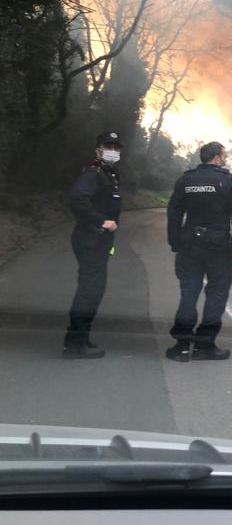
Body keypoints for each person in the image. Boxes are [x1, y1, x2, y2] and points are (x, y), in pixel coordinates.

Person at [165, 141, 232, 362]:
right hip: (219, 247)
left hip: (189, 245)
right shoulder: (229, 181)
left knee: (188, 294)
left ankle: (181, 346)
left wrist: (175, 241)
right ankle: (205, 346)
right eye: (224, 156)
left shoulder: (185, 180)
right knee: (216, 295)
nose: (226, 159)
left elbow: (173, 213)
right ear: (217, 158)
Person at [64, 132, 124, 359]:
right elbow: (77, 198)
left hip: (98, 240)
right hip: (90, 238)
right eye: (109, 146)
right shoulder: (93, 172)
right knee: (89, 291)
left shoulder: (109, 174)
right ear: (97, 150)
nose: (113, 151)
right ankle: (75, 343)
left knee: (93, 290)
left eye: (117, 148)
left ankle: (80, 338)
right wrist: (101, 221)